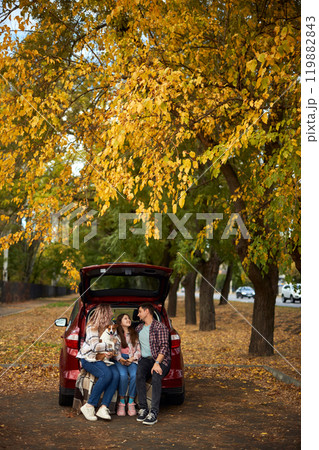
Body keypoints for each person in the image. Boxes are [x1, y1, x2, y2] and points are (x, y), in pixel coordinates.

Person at [76, 304, 120, 421]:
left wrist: (111, 351)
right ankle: (89, 406)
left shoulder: (109, 328)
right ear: (104, 314)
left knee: (116, 375)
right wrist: (110, 346)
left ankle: (103, 408)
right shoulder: (92, 327)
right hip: (89, 358)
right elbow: (95, 347)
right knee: (106, 374)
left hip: (104, 359)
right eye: (110, 313)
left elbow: (117, 344)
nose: (111, 315)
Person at [135, 303, 171, 425]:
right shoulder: (139, 328)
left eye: (140, 311)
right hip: (145, 360)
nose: (138, 314)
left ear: (147, 311)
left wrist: (157, 363)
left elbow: (164, 347)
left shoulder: (160, 327)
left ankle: (154, 413)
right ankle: (143, 408)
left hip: (161, 359)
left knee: (156, 376)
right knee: (139, 374)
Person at [115, 313, 141, 416]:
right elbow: (114, 349)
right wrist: (119, 358)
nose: (128, 320)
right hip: (120, 359)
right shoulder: (116, 334)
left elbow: (139, 350)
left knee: (135, 375)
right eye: (125, 318)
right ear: (120, 322)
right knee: (123, 375)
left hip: (132, 358)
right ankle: (121, 402)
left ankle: (131, 402)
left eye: (129, 318)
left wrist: (132, 358)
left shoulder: (134, 333)